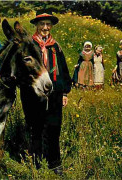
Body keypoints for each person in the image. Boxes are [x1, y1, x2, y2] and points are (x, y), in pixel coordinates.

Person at [20, 10, 72, 175]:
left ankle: (55, 163)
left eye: (48, 24)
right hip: (34, 93)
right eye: (42, 24)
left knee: (54, 127)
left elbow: (63, 70)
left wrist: (64, 93)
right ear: (36, 25)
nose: (45, 27)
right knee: (35, 127)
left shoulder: (56, 46)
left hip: (54, 93)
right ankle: (36, 163)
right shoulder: (30, 45)